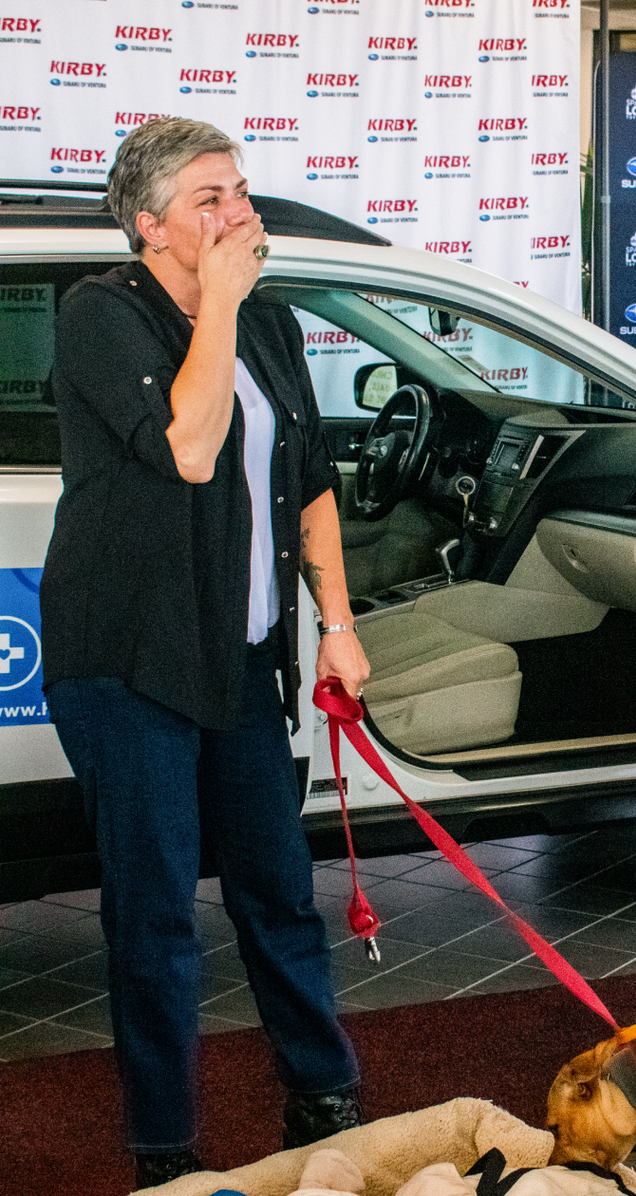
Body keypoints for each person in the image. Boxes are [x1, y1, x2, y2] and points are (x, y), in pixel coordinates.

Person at [41, 118, 370, 1188]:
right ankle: (164, 1146)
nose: (240, 214)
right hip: (129, 665)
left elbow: (308, 479)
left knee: (277, 888)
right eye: (210, 199)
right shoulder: (103, 315)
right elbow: (191, 445)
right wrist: (218, 298)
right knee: (155, 913)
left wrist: (338, 623)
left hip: (236, 661)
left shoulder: (266, 325)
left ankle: (324, 1091)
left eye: (241, 190)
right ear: (149, 226)